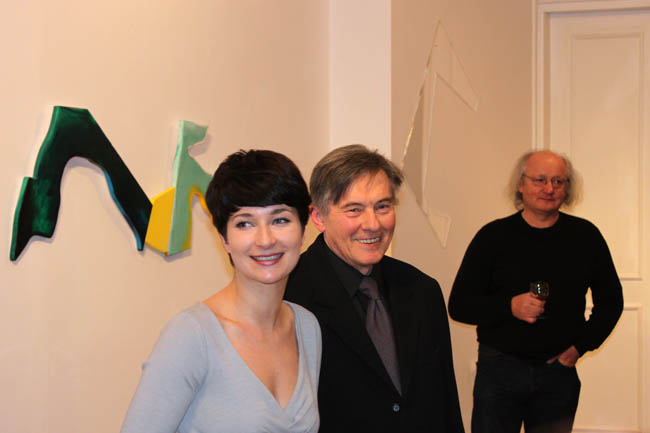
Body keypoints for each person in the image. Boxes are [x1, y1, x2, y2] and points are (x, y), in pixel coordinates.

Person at [120, 150, 321, 433]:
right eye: (245, 223)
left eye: (280, 220)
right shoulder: (192, 335)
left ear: (303, 229)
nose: (265, 240)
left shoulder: (307, 327)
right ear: (224, 238)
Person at [285, 144, 464, 433]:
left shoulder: (422, 290)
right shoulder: (289, 296)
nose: (372, 224)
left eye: (383, 207)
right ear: (318, 217)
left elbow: (445, 404)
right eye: (354, 210)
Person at [448, 150, 623, 433]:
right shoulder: (493, 237)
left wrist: (580, 347)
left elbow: (612, 302)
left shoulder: (585, 236)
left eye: (558, 181)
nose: (549, 189)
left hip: (558, 373)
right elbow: (459, 305)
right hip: (499, 370)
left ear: (567, 188)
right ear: (521, 184)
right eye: (540, 180)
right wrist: (510, 306)